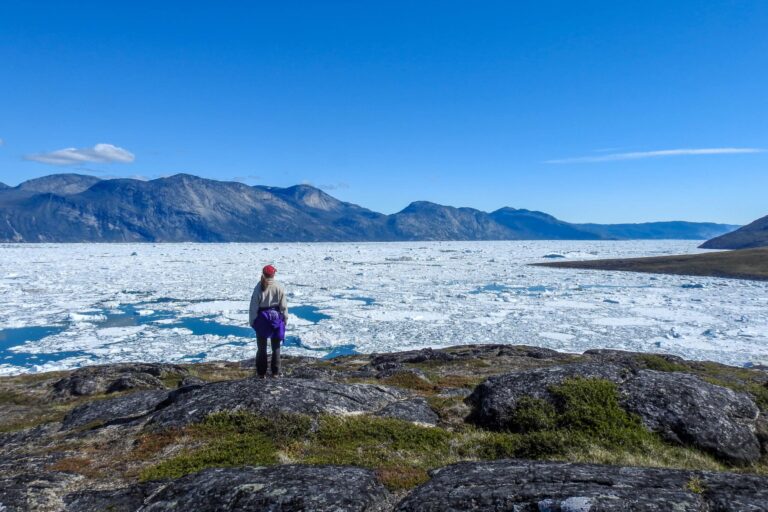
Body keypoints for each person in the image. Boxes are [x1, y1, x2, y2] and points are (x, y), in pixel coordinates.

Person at [248, 264, 288, 378]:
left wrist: (253, 321)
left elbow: (253, 306)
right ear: (273, 274)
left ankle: (261, 373)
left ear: (263, 274)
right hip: (276, 319)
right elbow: (283, 306)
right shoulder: (279, 287)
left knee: (261, 348)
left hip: (262, 320)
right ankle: (275, 372)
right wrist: (284, 319)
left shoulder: (258, 287)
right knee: (276, 347)